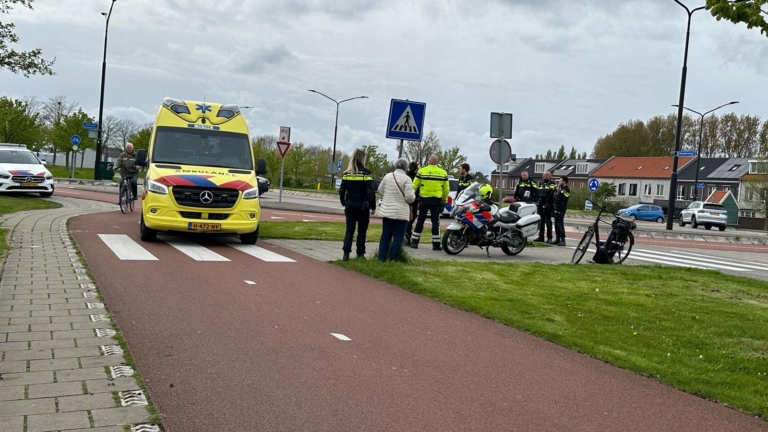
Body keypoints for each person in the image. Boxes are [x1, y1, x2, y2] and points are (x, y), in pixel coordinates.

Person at [339, 148, 376, 261]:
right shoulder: (366, 173)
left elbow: (341, 190)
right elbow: (370, 191)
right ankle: (360, 254)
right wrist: (373, 206)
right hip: (363, 206)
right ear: (363, 158)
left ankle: (346, 254)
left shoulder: (347, 173)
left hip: (350, 204)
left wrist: (343, 202)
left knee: (349, 230)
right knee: (362, 231)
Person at [376, 158, 416, 262]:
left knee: (385, 234)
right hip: (401, 213)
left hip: (387, 211)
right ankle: (394, 259)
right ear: (406, 168)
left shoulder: (387, 177)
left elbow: (380, 190)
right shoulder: (407, 179)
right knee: (398, 236)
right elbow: (410, 198)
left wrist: (388, 196)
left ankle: (381, 258)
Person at [411, 155, 449, 250]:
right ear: (437, 162)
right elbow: (446, 189)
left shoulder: (422, 171)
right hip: (436, 199)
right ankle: (436, 244)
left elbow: (414, 185)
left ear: (429, 161)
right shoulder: (443, 173)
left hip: (424, 199)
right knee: (435, 222)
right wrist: (444, 200)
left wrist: (411, 197)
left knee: (420, 221)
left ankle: (414, 242)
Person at [535, 171, 556, 243]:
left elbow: (553, 194)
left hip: (548, 205)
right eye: (544, 176)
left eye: (547, 176)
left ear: (550, 176)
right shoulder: (541, 184)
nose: (545, 177)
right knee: (541, 221)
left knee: (548, 221)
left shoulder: (552, 184)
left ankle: (549, 237)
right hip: (541, 204)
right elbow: (538, 193)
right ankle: (541, 237)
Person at [553, 176, 571, 246]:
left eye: (560, 181)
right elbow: (555, 196)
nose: (559, 182)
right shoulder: (559, 189)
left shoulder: (566, 189)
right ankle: (557, 238)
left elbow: (566, 196)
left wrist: (562, 191)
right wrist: (555, 190)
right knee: (556, 224)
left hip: (561, 208)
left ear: (564, 181)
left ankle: (563, 240)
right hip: (556, 208)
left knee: (560, 224)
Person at [405, 161, 420, 246]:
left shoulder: (406, 176)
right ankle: (408, 235)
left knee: (407, 218)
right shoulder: (416, 177)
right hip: (414, 199)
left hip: (406, 199)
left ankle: (406, 234)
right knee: (411, 218)